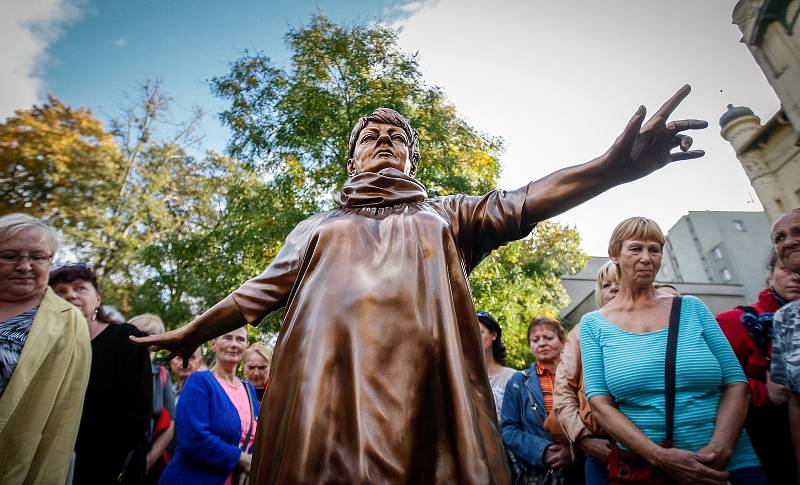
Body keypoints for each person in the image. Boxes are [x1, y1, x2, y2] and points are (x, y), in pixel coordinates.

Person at [134, 86, 707, 483]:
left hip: (427, 397)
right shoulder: (319, 226)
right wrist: (192, 333)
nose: (385, 140)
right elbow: (257, 292)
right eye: (371, 135)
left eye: (398, 136)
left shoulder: (446, 216)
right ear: (352, 159)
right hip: (327, 392)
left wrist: (610, 169)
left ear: (412, 157)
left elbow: (528, 199)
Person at [581, 216, 766, 484]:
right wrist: (659, 457)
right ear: (615, 254)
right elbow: (599, 403)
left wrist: (720, 448)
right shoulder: (593, 324)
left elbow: (736, 383)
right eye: (636, 249)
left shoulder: (692, 308)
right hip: (648, 469)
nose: (647, 258)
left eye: (654, 249)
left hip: (727, 465)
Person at [0, 214, 91, 484]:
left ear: (50, 261)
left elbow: (64, 416)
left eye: (38, 257)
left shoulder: (68, 321)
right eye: (9, 255)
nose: (25, 266)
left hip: (12, 460)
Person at [50, 264, 152, 485]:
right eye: (60, 292)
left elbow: (138, 412)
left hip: (109, 465)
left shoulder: (125, 338)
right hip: (55, 461)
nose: (70, 295)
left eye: (80, 288)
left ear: (97, 299)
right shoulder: (46, 347)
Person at [716, 252, 798, 483]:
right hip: (764, 438)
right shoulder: (737, 321)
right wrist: (764, 394)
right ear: (771, 275)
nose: (796, 277)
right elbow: (713, 378)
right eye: (787, 270)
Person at [159, 326, 260, 485]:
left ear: (245, 346)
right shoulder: (199, 381)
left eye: (240, 339)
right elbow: (193, 438)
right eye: (227, 337)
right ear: (213, 344)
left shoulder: (249, 390)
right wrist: (242, 459)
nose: (234, 344)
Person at [553, 260, 618, 485]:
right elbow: (563, 389)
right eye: (607, 285)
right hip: (601, 449)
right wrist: (582, 437)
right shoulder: (582, 331)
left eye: (619, 283)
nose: (614, 289)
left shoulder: (650, 325)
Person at [502, 316, 572, 478]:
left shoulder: (579, 376)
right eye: (535, 340)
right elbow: (508, 429)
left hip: (584, 469)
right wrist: (542, 451)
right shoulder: (518, 382)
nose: (541, 343)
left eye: (548, 337)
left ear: (563, 342)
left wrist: (573, 452)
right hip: (541, 473)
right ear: (530, 346)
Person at [770, 208, 800, 479]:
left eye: (797, 232)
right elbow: (794, 401)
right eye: (779, 238)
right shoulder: (785, 318)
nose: (788, 241)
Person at [130, 313, 177, 485]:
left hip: (145, 458)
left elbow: (171, 423)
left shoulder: (161, 375)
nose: (147, 342)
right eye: (143, 335)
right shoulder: (116, 368)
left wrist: (149, 459)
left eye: (154, 338)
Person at [477, 311, 516, 419]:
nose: (474, 337)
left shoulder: (513, 378)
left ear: (493, 335)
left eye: (480, 332)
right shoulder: (459, 379)